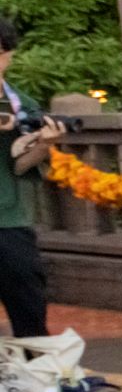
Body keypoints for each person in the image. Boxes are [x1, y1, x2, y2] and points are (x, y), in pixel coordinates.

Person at [0, 17, 60, 340]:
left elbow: (21, 167)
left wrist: (46, 145)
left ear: (8, 56)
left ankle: (35, 370)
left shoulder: (22, 105)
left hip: (10, 218)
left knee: (29, 305)